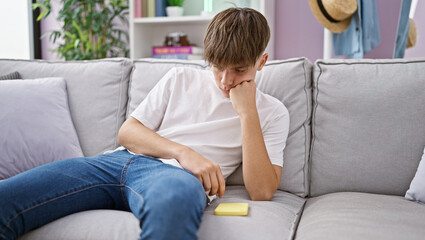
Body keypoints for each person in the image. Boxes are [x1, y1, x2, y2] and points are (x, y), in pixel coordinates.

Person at [0, 7, 289, 240]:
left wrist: (248, 113)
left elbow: (261, 191)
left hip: (175, 180)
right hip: (114, 164)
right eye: (217, 67)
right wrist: (184, 152)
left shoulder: (272, 112)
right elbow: (128, 133)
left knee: (172, 207)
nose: (226, 81)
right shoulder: (180, 77)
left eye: (239, 70)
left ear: (261, 62)